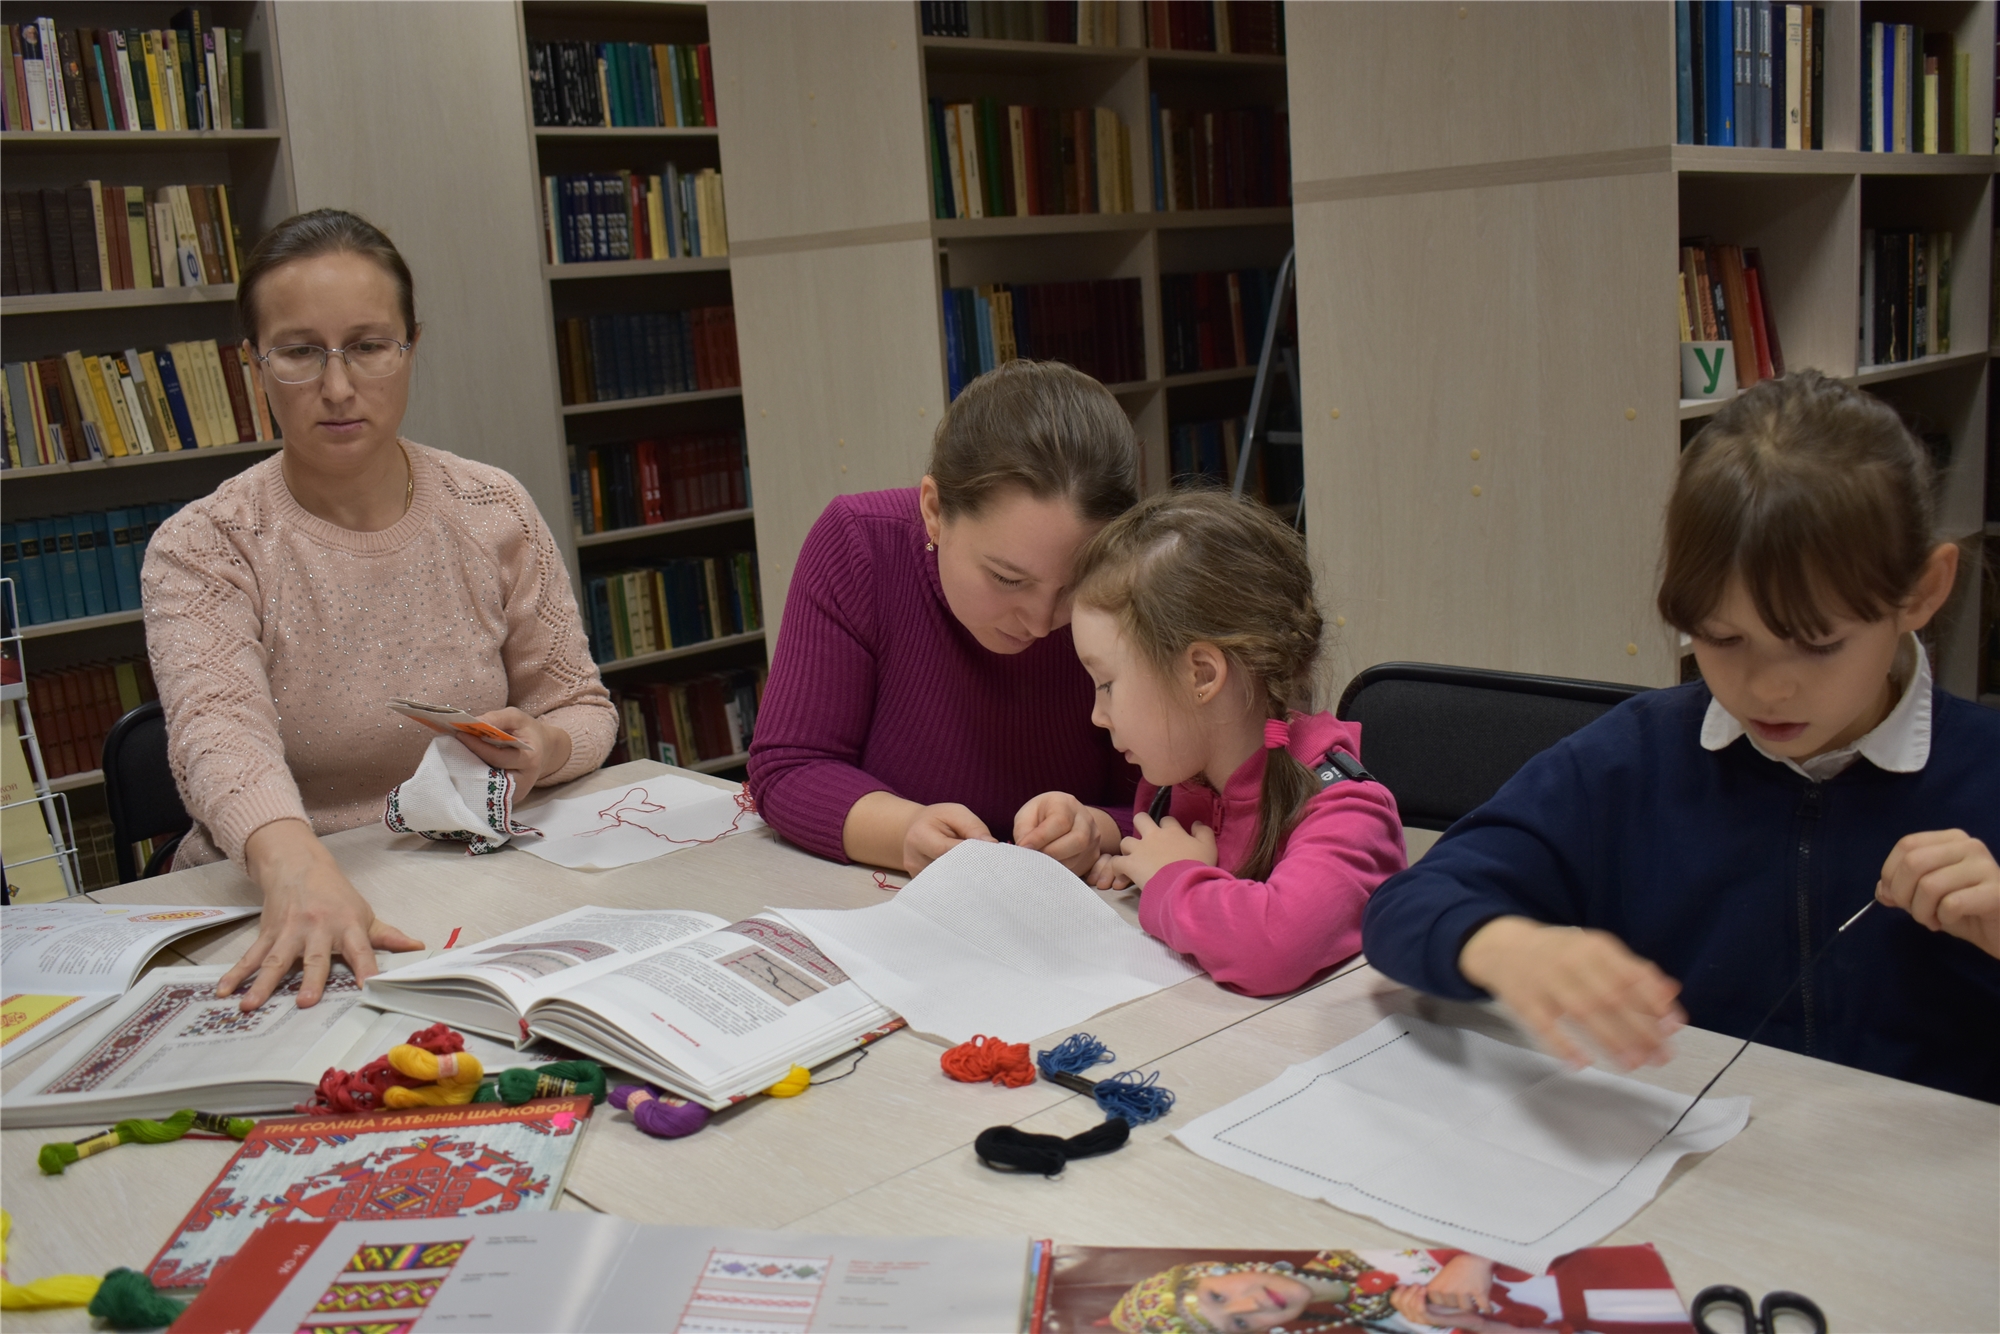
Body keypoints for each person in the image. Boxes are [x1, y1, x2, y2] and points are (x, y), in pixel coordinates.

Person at [1361, 371, 2000, 1102]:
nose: (1767, 688)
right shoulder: (1632, 761)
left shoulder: (1984, 771)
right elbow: (1404, 908)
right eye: (1722, 638)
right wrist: (1503, 945)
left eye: (1819, 644)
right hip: (1697, 1154)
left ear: (1921, 591)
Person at [143, 209, 616, 1011]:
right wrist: (294, 864)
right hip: (279, 894)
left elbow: (581, 704)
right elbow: (218, 737)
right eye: (300, 352)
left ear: (411, 347)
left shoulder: (492, 506)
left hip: (474, 879)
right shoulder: (205, 545)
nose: (337, 388)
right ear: (254, 363)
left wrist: (546, 746)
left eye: (368, 346)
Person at [746, 359, 1140, 877]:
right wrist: (904, 831)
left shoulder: (1136, 575)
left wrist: (1096, 829)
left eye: (1074, 587)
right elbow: (788, 767)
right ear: (933, 510)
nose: (1042, 623)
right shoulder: (859, 546)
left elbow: (1186, 804)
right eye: (1007, 578)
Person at [1056, 490, 1405, 995]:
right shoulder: (1180, 783)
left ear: (1201, 674)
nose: (1097, 714)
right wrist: (1108, 843)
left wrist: (1172, 878)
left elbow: (1273, 947)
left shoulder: (1347, 813)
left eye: (1106, 683)